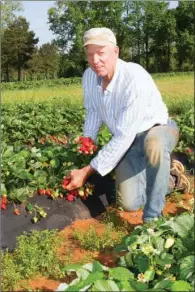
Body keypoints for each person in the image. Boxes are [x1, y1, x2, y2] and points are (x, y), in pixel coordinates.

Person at [65, 27, 190, 223]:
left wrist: (86, 171)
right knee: (129, 202)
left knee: (154, 144)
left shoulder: (134, 77)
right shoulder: (89, 77)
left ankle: (152, 218)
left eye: (100, 53)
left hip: (158, 129)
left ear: (115, 52)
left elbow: (123, 135)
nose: (95, 60)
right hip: (130, 141)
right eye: (90, 55)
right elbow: (93, 111)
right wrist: (88, 139)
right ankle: (171, 178)